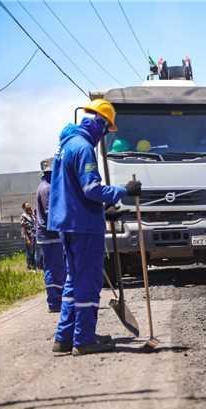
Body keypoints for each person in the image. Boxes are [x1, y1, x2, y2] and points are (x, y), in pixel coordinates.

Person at [48, 98, 142, 356]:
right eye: (105, 130)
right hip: (83, 226)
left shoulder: (66, 145)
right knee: (88, 283)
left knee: (72, 280)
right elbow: (91, 189)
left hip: (67, 221)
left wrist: (102, 210)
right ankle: (84, 339)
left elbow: (73, 190)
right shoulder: (84, 148)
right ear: (99, 124)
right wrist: (122, 191)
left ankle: (64, 337)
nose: (103, 137)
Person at [35, 157, 65, 313]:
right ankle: (54, 302)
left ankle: (57, 300)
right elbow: (50, 213)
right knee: (54, 268)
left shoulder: (44, 186)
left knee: (54, 267)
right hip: (50, 234)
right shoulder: (48, 189)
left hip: (47, 235)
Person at [20, 202, 36, 270]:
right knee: (29, 252)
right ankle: (29, 267)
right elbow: (23, 228)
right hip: (29, 236)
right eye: (27, 206)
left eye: (29, 206)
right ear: (24, 208)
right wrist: (27, 239)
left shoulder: (32, 215)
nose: (29, 207)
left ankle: (34, 266)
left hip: (34, 236)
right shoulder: (23, 216)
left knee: (34, 252)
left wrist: (32, 214)